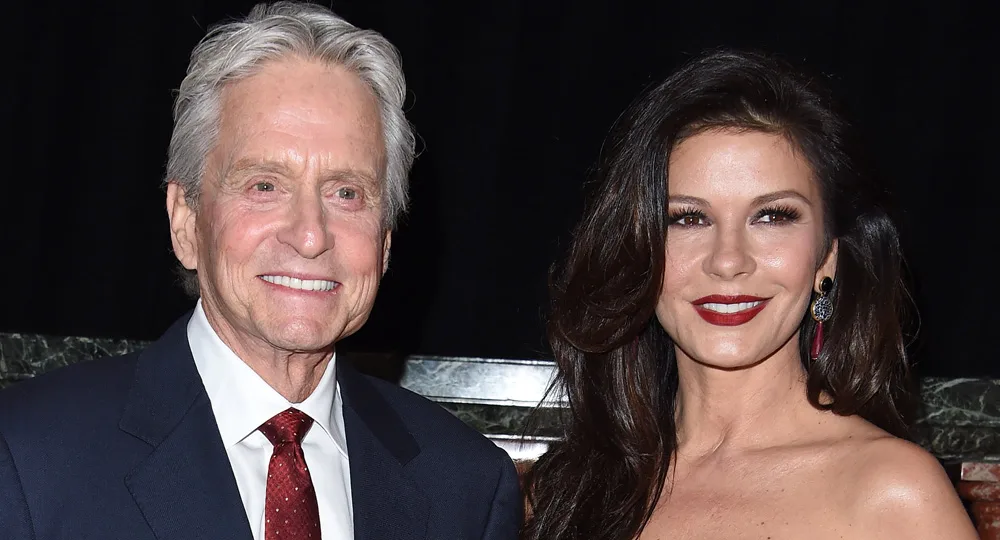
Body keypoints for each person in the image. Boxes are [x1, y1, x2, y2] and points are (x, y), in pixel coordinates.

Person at [0, 3, 520, 539]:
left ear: (385, 242)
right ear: (186, 221)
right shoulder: (25, 457)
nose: (311, 234)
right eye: (264, 186)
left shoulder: (467, 487)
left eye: (347, 193)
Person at [521, 49, 977, 539]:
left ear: (828, 256)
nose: (728, 261)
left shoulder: (894, 494)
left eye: (773, 216)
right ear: (639, 249)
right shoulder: (563, 490)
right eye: (688, 218)